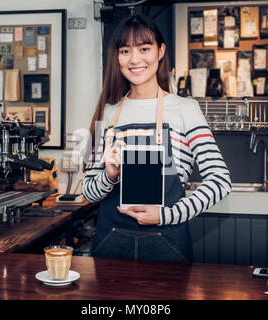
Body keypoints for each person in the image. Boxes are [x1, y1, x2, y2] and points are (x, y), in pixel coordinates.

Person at [82, 14, 231, 262]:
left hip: (167, 243)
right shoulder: (107, 113)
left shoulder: (186, 109)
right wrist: (109, 175)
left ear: (160, 51)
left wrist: (167, 215)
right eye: (125, 50)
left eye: (144, 48)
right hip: (111, 244)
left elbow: (220, 180)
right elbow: (88, 192)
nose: (135, 59)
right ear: (117, 57)